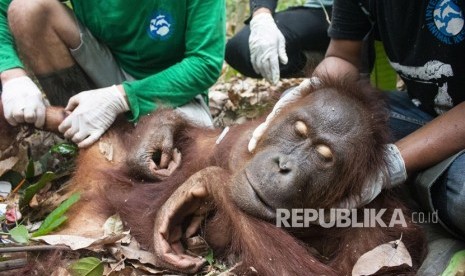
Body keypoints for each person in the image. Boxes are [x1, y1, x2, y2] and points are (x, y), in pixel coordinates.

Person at [249, 0, 465, 271]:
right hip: (420, 112)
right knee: (311, 124)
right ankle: (417, 211)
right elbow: (342, 56)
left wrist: (395, 163)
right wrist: (311, 91)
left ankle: (421, 228)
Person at [0, 0, 226, 148]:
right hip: (103, 67)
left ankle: (109, 139)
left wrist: (120, 97)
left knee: (189, 153)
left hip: (172, 91)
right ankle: (75, 126)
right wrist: (12, 75)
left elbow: (204, 63)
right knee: (27, 9)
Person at [225, 0, 333, 85]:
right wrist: (261, 15)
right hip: (321, 13)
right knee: (241, 47)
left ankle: (342, 67)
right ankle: (319, 66)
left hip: (349, 14)